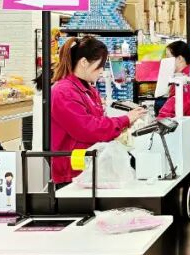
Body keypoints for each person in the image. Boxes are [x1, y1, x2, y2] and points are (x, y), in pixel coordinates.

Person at [49, 36, 145, 185]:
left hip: (90, 167)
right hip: (73, 171)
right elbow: (87, 128)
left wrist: (122, 125)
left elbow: (98, 121)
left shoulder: (87, 89)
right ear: (84, 62)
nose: (101, 71)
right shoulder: (64, 92)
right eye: (99, 66)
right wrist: (124, 120)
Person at [158, 40, 190, 125]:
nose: (165, 60)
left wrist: (159, 121)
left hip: (185, 127)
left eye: (168, 57)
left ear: (180, 59)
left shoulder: (183, 80)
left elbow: (172, 108)